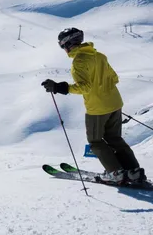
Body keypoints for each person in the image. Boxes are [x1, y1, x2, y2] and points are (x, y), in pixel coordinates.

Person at [42, 28, 146, 185]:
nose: (63, 49)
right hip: (115, 103)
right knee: (115, 138)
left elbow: (85, 87)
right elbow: (114, 78)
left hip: (97, 108)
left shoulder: (79, 62)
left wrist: (60, 87)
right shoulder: (99, 56)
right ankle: (133, 171)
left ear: (69, 44)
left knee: (95, 141)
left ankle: (115, 173)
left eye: (62, 46)